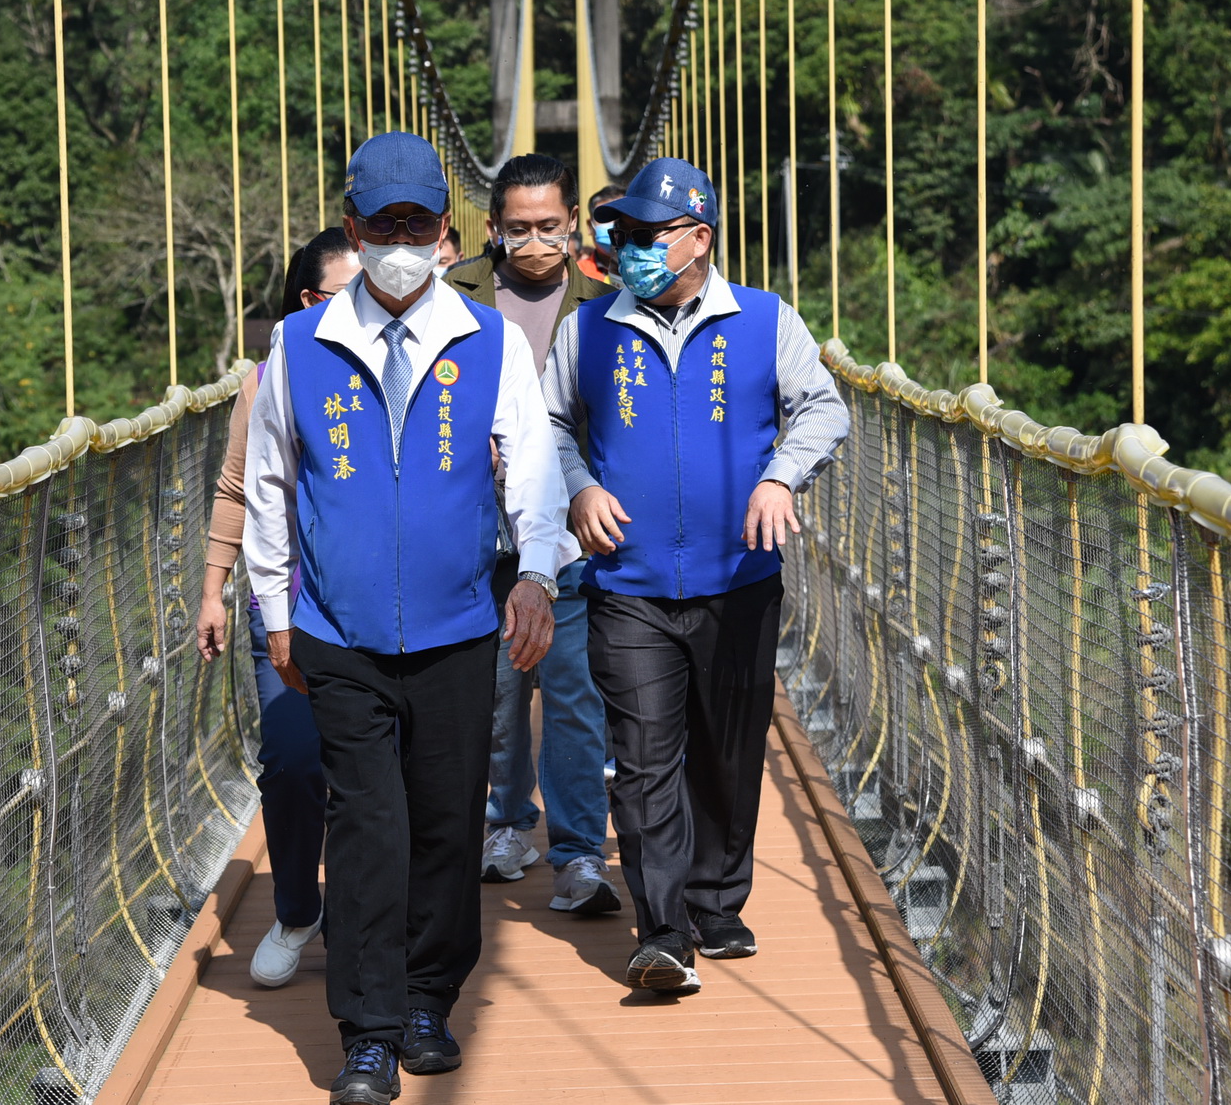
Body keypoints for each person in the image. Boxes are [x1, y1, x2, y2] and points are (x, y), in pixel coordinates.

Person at [244, 131, 576, 1105]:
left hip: (459, 625)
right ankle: (367, 1034)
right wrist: (274, 608)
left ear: (444, 233)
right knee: (366, 828)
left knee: (442, 824)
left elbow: (538, 473)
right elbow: (269, 489)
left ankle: (431, 998)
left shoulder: (488, 341)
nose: (399, 240)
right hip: (338, 633)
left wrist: (538, 577)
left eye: (416, 224)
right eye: (380, 224)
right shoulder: (297, 345)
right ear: (352, 226)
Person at [544, 156, 849, 995]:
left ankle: (718, 900)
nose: (631, 249)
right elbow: (548, 426)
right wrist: (580, 488)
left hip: (739, 577)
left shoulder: (764, 320)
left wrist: (782, 474)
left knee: (727, 748)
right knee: (644, 756)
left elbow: (824, 405)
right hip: (628, 581)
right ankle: (665, 929)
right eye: (624, 235)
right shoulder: (588, 329)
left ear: (699, 239)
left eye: (649, 236)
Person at [440, 154, 617, 916]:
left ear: (573, 221)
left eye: (550, 226)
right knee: (500, 689)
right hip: (475, 524)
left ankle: (579, 852)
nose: (537, 241)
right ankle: (506, 823)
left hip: (569, 527)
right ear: (493, 229)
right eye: (519, 229)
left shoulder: (606, 305)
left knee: (574, 691)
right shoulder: (451, 298)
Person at [197, 227, 360, 988]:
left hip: (370, 602)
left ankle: (369, 916)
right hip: (284, 601)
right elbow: (236, 487)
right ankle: (298, 909)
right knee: (294, 762)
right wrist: (213, 588)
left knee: (377, 766)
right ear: (306, 301)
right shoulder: (268, 380)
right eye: (343, 293)